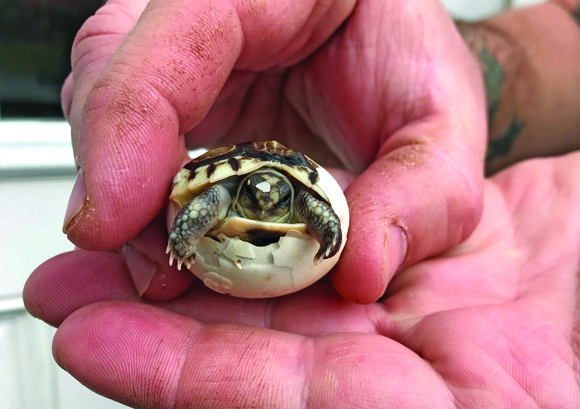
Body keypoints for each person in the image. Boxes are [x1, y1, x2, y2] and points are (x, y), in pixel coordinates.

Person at [24, 0, 580, 407]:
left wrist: (328, 224)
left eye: (273, 193)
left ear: (290, 195)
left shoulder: (298, 203)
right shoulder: (224, 192)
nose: (264, 198)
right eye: (257, 192)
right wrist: (186, 232)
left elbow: (324, 218)